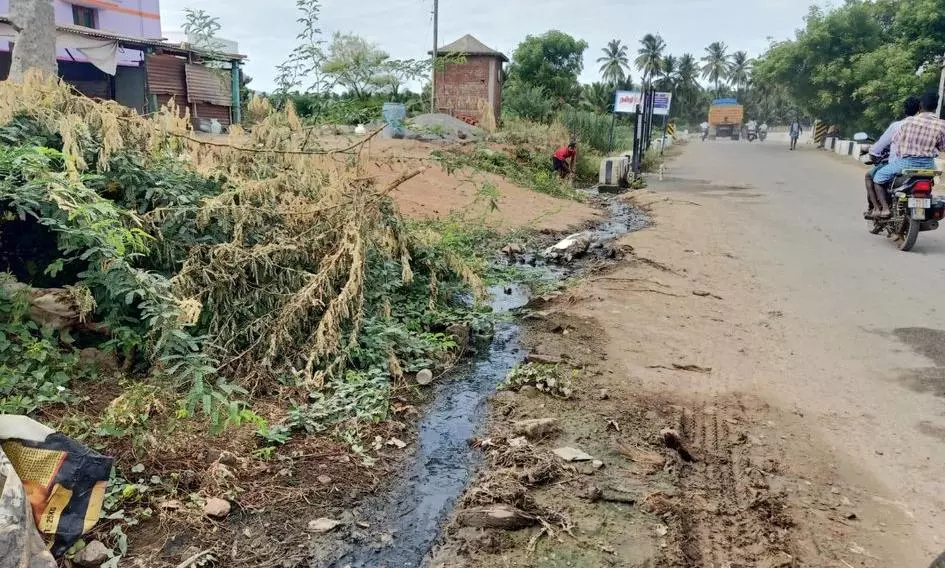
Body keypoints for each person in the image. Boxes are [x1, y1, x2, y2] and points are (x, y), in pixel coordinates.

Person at [873, 92, 945, 212]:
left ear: (920, 106)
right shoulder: (942, 124)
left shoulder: (908, 121)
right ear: (935, 107)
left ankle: (885, 209)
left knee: (878, 177)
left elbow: (896, 141)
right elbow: (942, 147)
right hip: (929, 166)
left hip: (906, 163)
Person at [863, 96, 921, 219]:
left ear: (904, 110)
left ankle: (879, 209)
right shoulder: (923, 126)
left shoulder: (897, 126)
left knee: (871, 176)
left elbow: (878, 147)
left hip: (900, 164)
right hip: (923, 165)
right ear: (919, 110)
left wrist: (873, 153)